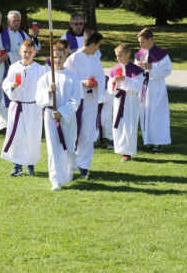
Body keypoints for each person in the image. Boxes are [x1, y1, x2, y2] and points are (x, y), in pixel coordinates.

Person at [36, 43, 82, 191]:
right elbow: (38, 98)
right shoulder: (45, 78)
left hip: (67, 117)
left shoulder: (72, 78)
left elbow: (76, 99)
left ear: (65, 57)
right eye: (54, 57)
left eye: (60, 57)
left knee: (68, 146)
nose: (57, 60)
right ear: (51, 58)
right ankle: (56, 179)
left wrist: (62, 111)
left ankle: (69, 169)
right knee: (54, 148)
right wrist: (49, 92)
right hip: (51, 117)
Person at [64, 29, 105, 179]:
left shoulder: (96, 60)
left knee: (88, 132)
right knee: (74, 132)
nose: (98, 49)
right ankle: (70, 164)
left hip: (91, 100)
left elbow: (101, 78)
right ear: (93, 44)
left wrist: (96, 84)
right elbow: (67, 78)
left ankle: (83, 166)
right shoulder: (73, 58)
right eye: (98, 45)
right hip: (76, 100)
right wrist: (82, 83)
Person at [1, 39, 45, 176]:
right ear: (20, 52)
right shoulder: (14, 67)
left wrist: (43, 107)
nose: (27, 55)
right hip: (17, 106)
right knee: (17, 135)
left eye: (30, 52)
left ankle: (31, 164)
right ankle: (17, 165)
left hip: (33, 107)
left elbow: (43, 89)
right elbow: (5, 83)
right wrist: (12, 86)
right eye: (25, 52)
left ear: (35, 53)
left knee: (32, 135)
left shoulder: (39, 69)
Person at [134, 28, 172, 152]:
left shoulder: (161, 54)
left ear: (150, 39)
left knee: (156, 114)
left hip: (156, 87)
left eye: (143, 42)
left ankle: (158, 142)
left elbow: (167, 70)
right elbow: (134, 71)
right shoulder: (139, 54)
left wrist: (151, 68)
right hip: (144, 87)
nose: (141, 45)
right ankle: (148, 140)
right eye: (140, 42)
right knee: (145, 113)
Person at [107, 44, 144, 161]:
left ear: (128, 55)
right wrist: (113, 81)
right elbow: (109, 87)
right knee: (119, 124)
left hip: (130, 100)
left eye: (120, 56)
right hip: (118, 100)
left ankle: (127, 152)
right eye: (116, 56)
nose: (118, 58)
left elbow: (138, 87)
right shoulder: (114, 69)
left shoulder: (136, 70)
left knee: (129, 125)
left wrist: (126, 80)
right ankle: (120, 148)